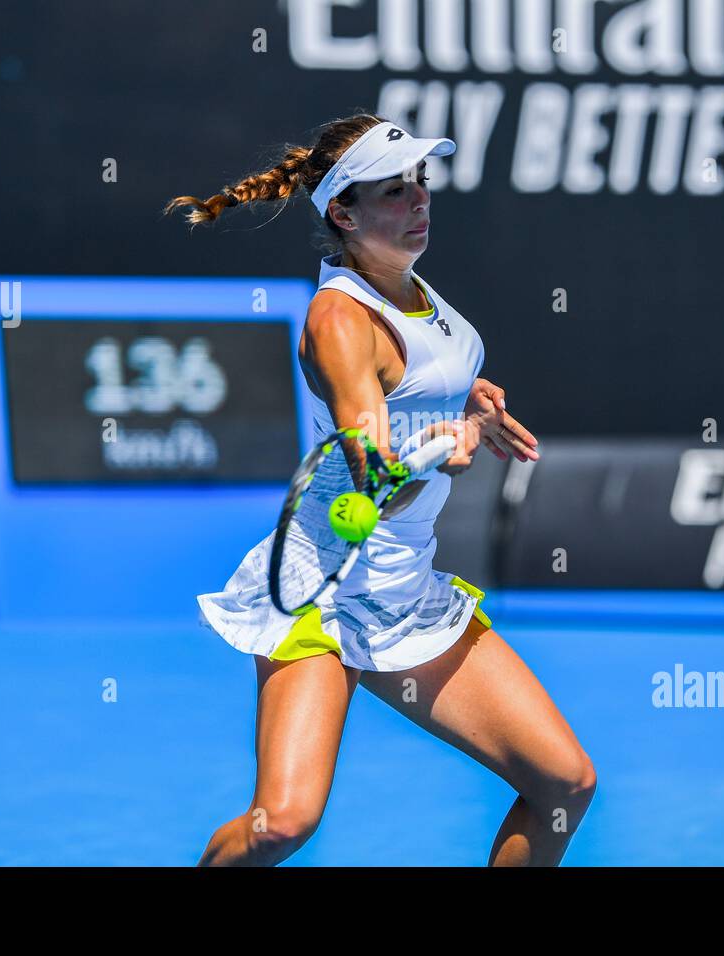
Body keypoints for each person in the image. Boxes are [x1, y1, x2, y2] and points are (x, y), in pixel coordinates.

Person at [166, 113, 596, 866]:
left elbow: (419, 380)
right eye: (394, 191)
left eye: (421, 182)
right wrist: (438, 447)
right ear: (343, 212)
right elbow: (371, 479)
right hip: (322, 595)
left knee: (564, 783)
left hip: (404, 593)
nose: (419, 200)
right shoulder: (338, 319)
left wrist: (464, 403)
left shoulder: (414, 289)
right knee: (282, 824)